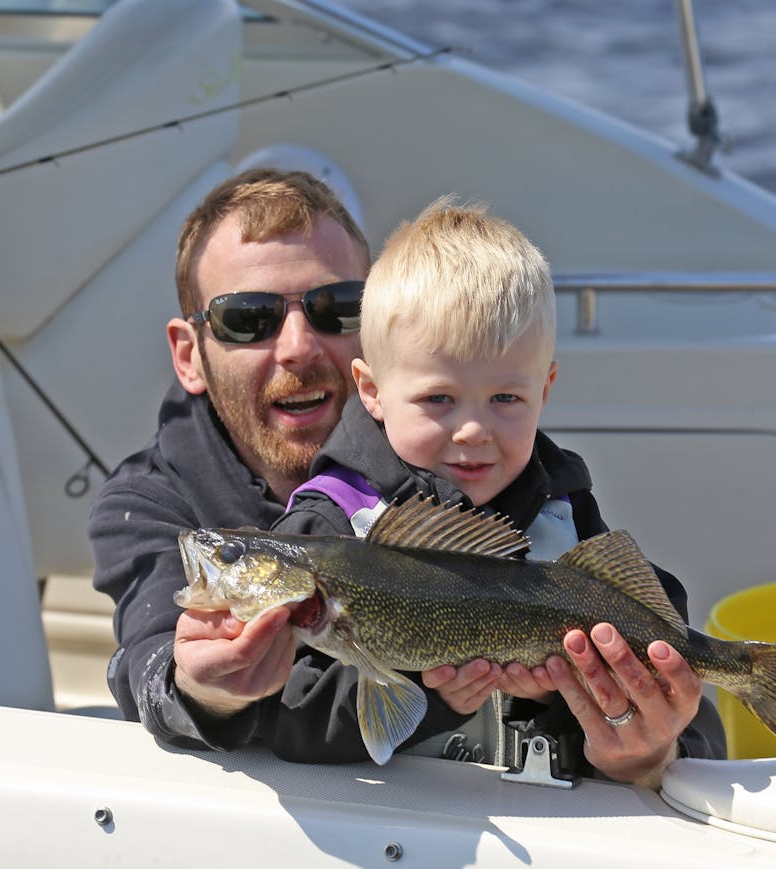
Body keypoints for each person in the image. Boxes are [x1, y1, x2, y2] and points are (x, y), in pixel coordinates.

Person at [274, 197, 725, 786]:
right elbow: (281, 717)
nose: (473, 430)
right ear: (372, 389)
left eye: (506, 399)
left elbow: (694, 735)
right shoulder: (326, 533)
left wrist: (642, 749)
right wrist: (429, 693)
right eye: (439, 399)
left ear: (546, 388)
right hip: (399, 834)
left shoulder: (568, 515)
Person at [90, 168, 485, 760]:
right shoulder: (146, 506)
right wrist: (202, 688)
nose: (299, 346)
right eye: (248, 317)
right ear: (188, 354)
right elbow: (151, 662)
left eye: (337, 307)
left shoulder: (464, 445)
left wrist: (640, 743)